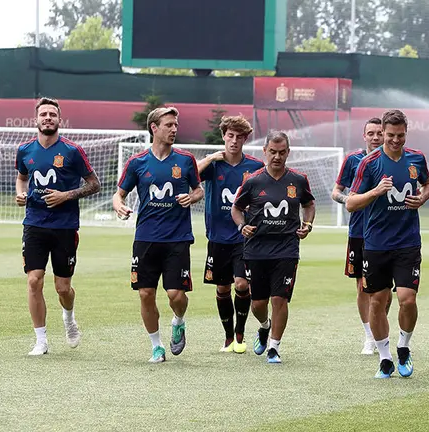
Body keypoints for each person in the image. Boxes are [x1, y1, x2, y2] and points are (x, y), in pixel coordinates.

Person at [113, 107, 204, 363]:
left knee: (176, 295)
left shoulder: (185, 160)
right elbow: (119, 194)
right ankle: (157, 347)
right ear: (154, 127)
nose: (174, 129)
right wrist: (119, 205)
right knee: (145, 294)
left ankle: (178, 321)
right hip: (145, 238)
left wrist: (191, 196)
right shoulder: (137, 163)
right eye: (169, 125)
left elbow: (199, 190)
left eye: (176, 125)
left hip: (177, 238)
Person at [346, 109, 429, 379]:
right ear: (382, 132)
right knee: (378, 302)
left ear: (406, 132)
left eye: (401, 135)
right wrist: (375, 191)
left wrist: (422, 197)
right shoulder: (369, 163)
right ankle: (384, 358)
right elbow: (350, 202)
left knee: (407, 300)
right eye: (390, 135)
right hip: (376, 243)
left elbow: (428, 184)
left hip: (407, 242)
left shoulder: (416, 158)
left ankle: (403, 347)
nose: (396, 140)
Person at [15, 97, 101, 356]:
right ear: (36, 119)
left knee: (62, 288)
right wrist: (20, 194)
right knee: (34, 281)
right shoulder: (25, 150)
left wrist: (65, 196)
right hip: (34, 224)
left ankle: (69, 318)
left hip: (64, 227)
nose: (48, 118)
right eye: (44, 114)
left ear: (59, 120)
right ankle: (41, 340)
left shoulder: (73, 151)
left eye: (53, 114)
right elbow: (21, 178)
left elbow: (94, 184)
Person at [231, 131, 315, 364]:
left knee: (280, 299)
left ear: (288, 152)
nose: (277, 157)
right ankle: (264, 325)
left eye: (282, 152)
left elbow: (308, 204)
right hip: (256, 249)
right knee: (258, 303)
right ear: (264, 152)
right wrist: (242, 227)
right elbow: (236, 208)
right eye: (272, 152)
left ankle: (274, 348)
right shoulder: (253, 180)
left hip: (287, 249)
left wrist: (307, 224)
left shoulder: (298, 180)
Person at [197, 115, 264, 353]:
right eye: (230, 136)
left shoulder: (255, 167)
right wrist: (209, 158)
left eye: (239, 137)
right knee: (222, 288)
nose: (234, 141)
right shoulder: (213, 164)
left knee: (242, 283)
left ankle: (240, 333)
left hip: (244, 236)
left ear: (246, 139)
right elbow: (187, 176)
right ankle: (227, 337)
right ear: (224, 136)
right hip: (216, 236)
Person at [331, 117, 387, 355]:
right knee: (362, 287)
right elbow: (336, 192)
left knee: (383, 290)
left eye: (379, 133)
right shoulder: (353, 160)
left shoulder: (393, 161)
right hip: (359, 232)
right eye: (371, 133)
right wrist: (350, 201)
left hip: (385, 232)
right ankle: (369, 337)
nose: (376, 137)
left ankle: (380, 331)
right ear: (364, 136)